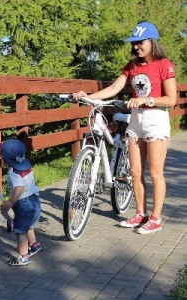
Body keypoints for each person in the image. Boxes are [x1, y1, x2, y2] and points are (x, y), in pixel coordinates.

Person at [73, 21, 177, 234]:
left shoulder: (164, 64)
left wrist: (146, 99)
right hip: (136, 120)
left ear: (152, 42)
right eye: (134, 43)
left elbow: (171, 99)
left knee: (155, 173)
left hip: (156, 120)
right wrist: (88, 97)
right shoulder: (132, 66)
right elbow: (113, 88)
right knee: (135, 171)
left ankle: (155, 219)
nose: (137, 47)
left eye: (141, 42)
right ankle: (140, 213)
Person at [0, 139, 42, 266]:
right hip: (35, 200)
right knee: (28, 226)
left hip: (24, 204)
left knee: (20, 231)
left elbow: (19, 188)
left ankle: (23, 257)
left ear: (5, 159)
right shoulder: (27, 167)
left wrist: (10, 202)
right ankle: (34, 245)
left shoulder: (13, 172)